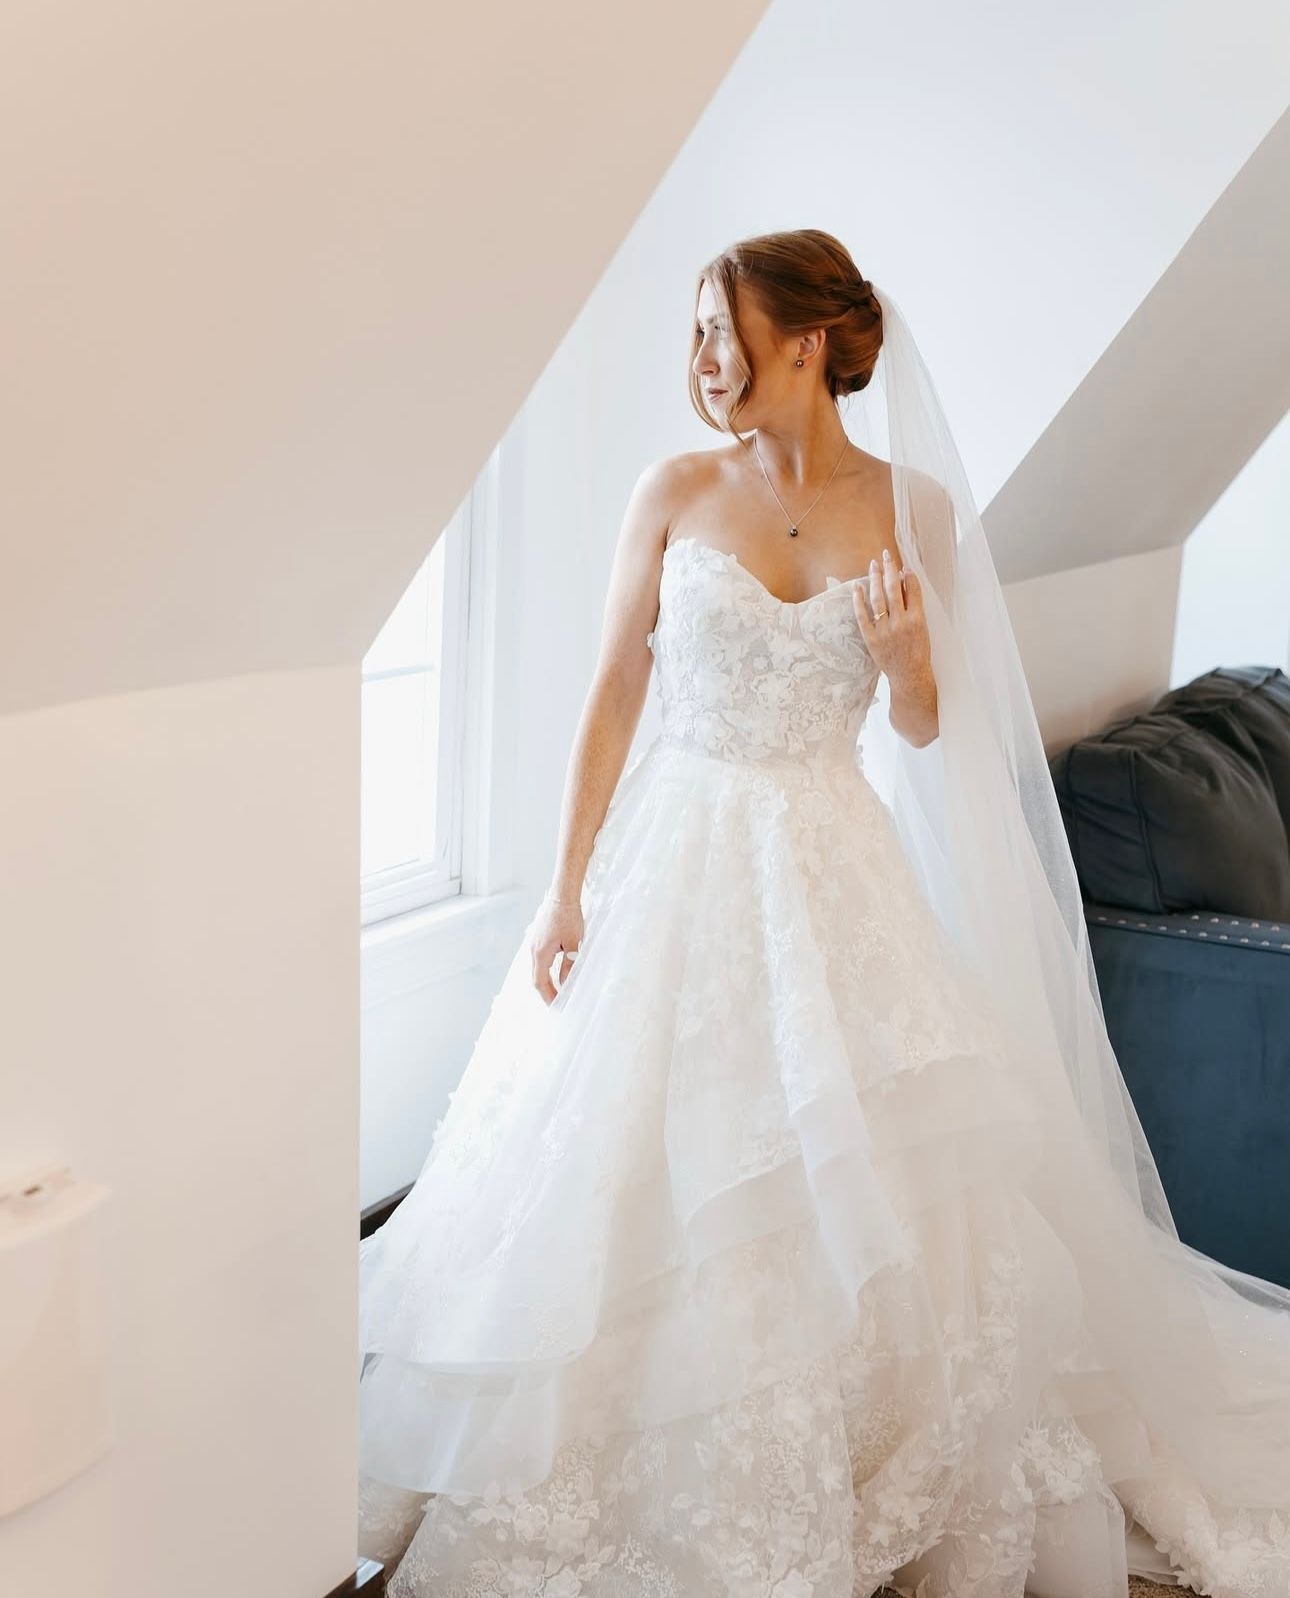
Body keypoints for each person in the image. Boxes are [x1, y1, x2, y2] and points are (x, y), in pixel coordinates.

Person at [356, 230, 1290, 1598]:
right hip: (675, 858)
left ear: (804, 339)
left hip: (828, 867)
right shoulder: (671, 492)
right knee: (622, 1161)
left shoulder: (913, 511)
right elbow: (614, 692)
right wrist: (563, 886)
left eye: (717, 331)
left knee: (861, 1174)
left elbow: (923, 730)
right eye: (690, 334)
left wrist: (910, 663)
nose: (699, 362)